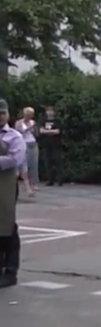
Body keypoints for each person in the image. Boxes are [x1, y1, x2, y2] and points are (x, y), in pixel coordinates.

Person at [0, 98, 27, 288]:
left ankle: (11, 271)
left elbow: (15, 159)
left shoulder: (14, 137)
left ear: (8, 114)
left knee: (7, 227)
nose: (0, 116)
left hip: (6, 185)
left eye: (2, 113)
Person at [14, 108, 37, 197]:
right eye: (28, 114)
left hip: (32, 143)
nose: (30, 116)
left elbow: (35, 133)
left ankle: (31, 187)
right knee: (23, 168)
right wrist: (29, 128)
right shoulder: (19, 123)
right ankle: (27, 189)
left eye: (31, 114)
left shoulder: (33, 122)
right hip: (23, 145)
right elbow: (19, 133)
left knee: (33, 165)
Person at [38, 107, 64, 186]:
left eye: (51, 111)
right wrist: (51, 132)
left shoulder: (57, 121)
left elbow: (58, 131)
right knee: (47, 162)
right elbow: (41, 131)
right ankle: (50, 180)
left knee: (57, 161)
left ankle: (60, 180)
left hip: (56, 144)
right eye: (48, 111)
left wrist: (47, 132)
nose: (49, 112)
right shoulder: (42, 120)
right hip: (46, 144)